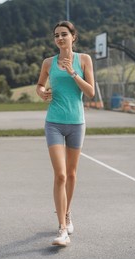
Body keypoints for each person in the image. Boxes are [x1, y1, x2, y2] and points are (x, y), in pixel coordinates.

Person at [36, 21, 95, 246]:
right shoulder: (48, 62)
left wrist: (73, 73)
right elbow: (40, 85)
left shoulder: (84, 60)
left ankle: (68, 213)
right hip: (54, 123)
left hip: (77, 123)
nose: (60, 38)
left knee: (71, 174)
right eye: (56, 35)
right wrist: (42, 92)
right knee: (60, 175)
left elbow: (90, 92)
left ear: (73, 37)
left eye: (64, 34)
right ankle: (62, 229)